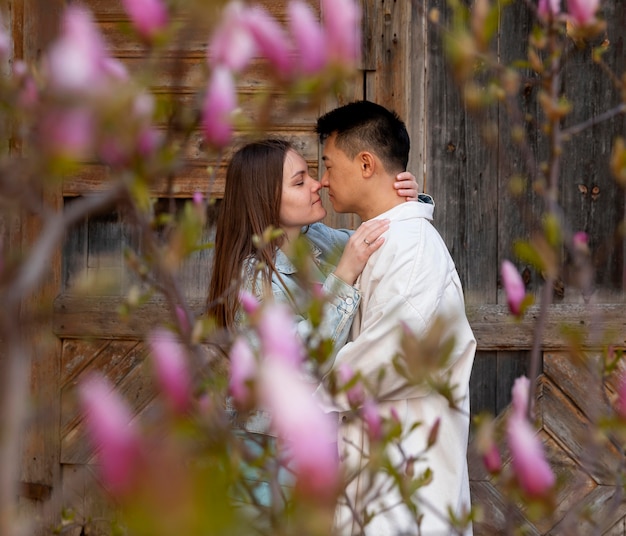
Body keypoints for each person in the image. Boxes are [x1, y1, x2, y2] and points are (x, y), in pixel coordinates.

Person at [205, 137, 421, 507]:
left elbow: (383, 243)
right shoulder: (252, 280)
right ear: (266, 200)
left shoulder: (318, 240)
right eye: (300, 180)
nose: (317, 183)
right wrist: (345, 275)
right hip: (266, 456)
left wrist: (403, 202)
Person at [314, 101, 476, 535]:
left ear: (365, 163)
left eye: (328, 165)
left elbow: (385, 361)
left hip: (406, 489)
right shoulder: (374, 239)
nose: (322, 181)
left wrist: (299, 398)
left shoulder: (412, 249)